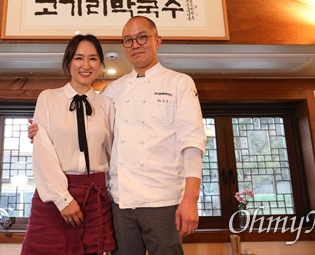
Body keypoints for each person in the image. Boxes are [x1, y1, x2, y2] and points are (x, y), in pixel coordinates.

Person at [30, 16, 207, 255]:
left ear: (158, 40)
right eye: (128, 40)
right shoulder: (113, 91)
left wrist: (191, 199)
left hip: (163, 199)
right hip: (119, 200)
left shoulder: (180, 83)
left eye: (142, 37)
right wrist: (38, 132)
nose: (135, 45)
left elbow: (193, 142)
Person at [20, 34, 116, 255]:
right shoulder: (48, 98)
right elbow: (42, 152)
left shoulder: (107, 105)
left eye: (93, 59)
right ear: (68, 62)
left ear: (100, 63)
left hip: (95, 196)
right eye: (78, 58)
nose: (86, 65)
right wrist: (62, 199)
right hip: (54, 195)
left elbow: (116, 152)